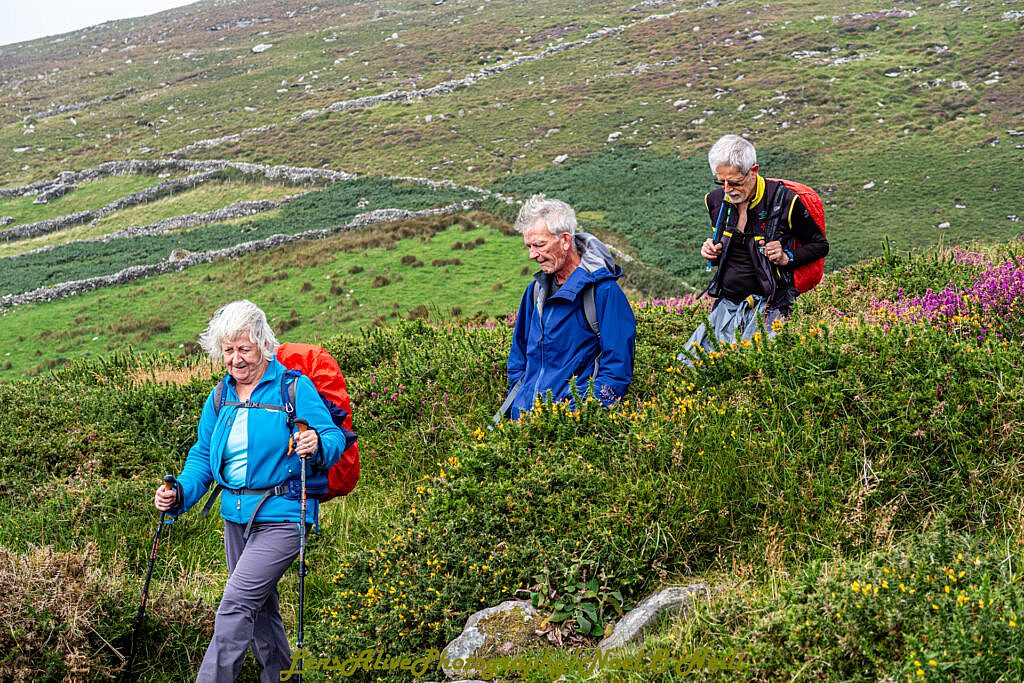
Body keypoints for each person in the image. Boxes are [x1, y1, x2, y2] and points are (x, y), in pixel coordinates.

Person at [153, 300, 348, 683]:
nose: (236, 360)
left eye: (244, 349)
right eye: (228, 350)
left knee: (236, 605)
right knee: (260, 612)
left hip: (284, 515)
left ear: (263, 344)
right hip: (236, 519)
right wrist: (179, 493)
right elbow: (203, 459)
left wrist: (316, 444)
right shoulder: (219, 398)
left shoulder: (293, 387)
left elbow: (333, 437)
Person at [678, 134, 828, 363]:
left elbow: (820, 245)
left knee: (751, 367)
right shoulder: (715, 201)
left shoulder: (786, 201)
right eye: (721, 182)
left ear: (754, 171)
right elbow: (728, 249)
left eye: (735, 182)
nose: (728, 189)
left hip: (771, 303)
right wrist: (711, 251)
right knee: (690, 366)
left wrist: (787, 257)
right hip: (727, 303)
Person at [498, 194, 636, 421]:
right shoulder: (535, 291)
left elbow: (617, 369)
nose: (533, 255)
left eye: (539, 245)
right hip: (524, 421)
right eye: (529, 246)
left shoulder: (604, 292)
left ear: (565, 240)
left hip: (571, 428)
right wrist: (522, 399)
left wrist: (578, 415)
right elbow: (519, 355)